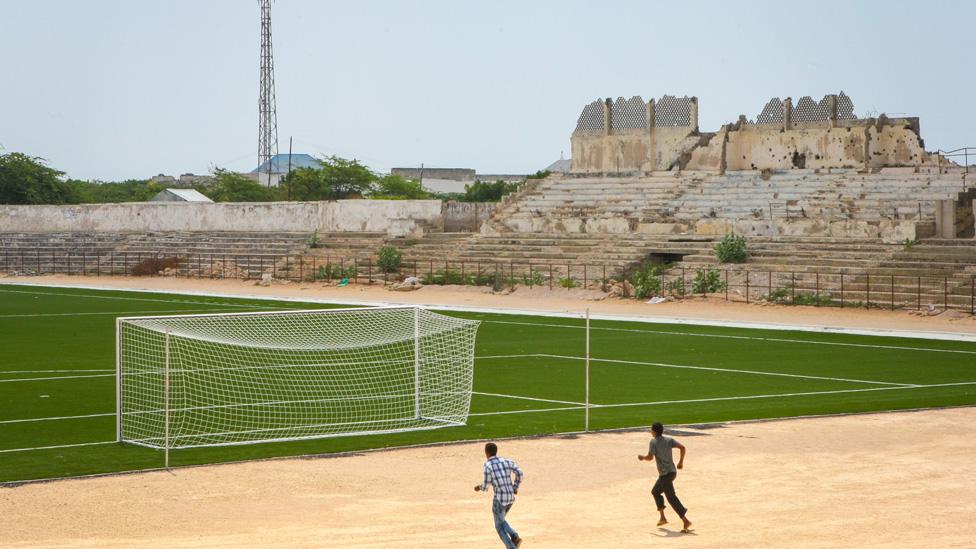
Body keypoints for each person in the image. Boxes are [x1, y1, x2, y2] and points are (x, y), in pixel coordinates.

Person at [638, 422, 693, 533]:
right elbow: (682, 447)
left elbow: (650, 457)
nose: (650, 432)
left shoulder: (653, 442)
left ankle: (685, 520)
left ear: (654, 431)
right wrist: (681, 462)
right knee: (655, 492)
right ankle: (663, 518)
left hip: (665, 475)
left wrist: (643, 457)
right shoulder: (669, 439)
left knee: (671, 497)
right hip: (672, 472)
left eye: (651, 430)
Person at [474, 442, 523, 548]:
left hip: (500, 500)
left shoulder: (487, 465)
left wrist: (479, 487)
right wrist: (515, 487)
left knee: (499, 527)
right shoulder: (506, 461)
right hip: (510, 498)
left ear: (486, 453)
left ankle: (512, 545)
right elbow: (520, 472)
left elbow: (486, 485)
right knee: (501, 520)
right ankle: (514, 536)